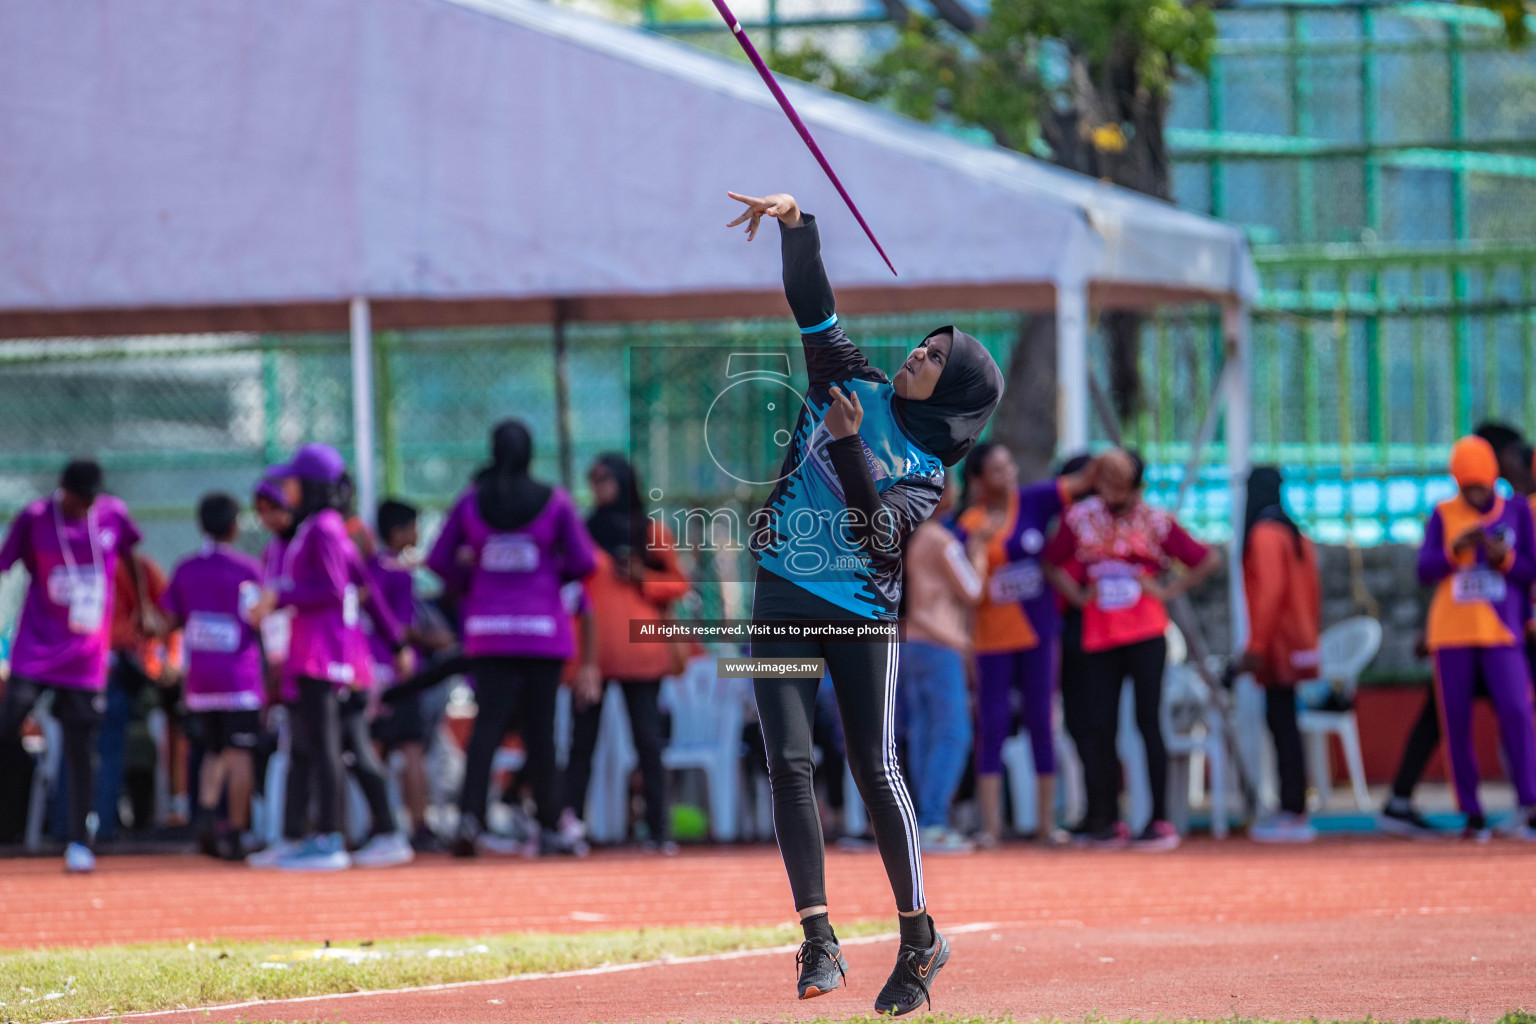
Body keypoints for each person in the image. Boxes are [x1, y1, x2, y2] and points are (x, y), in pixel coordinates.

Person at [726, 191, 1003, 1015]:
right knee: (788, 762)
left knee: (876, 768)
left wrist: (848, 446)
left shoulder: (930, 478)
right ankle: (818, 937)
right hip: (781, 588)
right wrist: (796, 222)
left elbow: (879, 537)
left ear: (952, 394)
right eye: (922, 345)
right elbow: (814, 305)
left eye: (933, 357)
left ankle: (920, 939)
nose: (917, 354)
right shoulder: (850, 376)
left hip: (860, 615)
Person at [427, 420, 597, 857]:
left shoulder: (470, 501)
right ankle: (549, 825)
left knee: (488, 725)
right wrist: (544, 570)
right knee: (542, 732)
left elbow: (438, 559)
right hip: (542, 630)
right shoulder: (555, 501)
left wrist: (474, 576)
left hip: (487, 631)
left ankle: (469, 817)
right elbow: (583, 562)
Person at [1043, 449, 1222, 851]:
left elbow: (1208, 559)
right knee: (1100, 726)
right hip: (1099, 634)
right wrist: (1077, 595)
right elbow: (1051, 562)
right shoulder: (1081, 517)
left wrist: (1167, 591)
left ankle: (1157, 820)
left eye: (1121, 483)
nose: (1112, 491)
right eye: (1106, 481)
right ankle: (1106, 819)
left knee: (1148, 722)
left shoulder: (1156, 521)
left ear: (1137, 485)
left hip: (1145, 632)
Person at [250, 443, 410, 871]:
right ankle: (304, 836)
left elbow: (337, 589)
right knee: (312, 745)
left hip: (326, 653)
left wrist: (279, 596)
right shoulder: (319, 527)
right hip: (317, 652)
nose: (287, 488)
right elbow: (360, 584)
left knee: (327, 747)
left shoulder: (322, 529)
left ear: (311, 486)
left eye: (292, 481)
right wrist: (397, 644)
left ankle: (330, 838)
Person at [1381, 421, 1535, 837]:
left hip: (1502, 634)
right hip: (1451, 635)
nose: (1475, 497)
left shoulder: (1518, 511)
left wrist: (1503, 557)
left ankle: (1529, 806)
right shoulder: (1444, 513)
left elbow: (1529, 570)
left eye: (1481, 488)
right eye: (1467, 489)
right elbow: (1425, 569)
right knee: (1454, 723)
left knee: (1518, 714)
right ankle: (1472, 812)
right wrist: (1456, 551)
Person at [0, 459, 150, 873]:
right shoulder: (33, 517)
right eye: (76, 500)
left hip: (86, 654)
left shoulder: (113, 513)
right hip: (37, 646)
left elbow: (131, 557)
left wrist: (142, 608)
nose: (82, 509)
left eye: (89, 502)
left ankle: (79, 842)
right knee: (9, 717)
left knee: (82, 746)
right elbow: (5, 562)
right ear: (61, 490)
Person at [956, 444, 1098, 848]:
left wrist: (1111, 463)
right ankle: (990, 827)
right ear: (980, 480)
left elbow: (1083, 480)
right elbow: (968, 589)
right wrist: (977, 548)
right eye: (997, 469)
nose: (1009, 472)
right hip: (991, 639)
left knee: (1042, 721)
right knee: (993, 724)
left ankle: (1045, 825)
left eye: (1010, 464)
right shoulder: (970, 524)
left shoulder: (1035, 501)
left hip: (1038, 635)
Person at [566, 454, 690, 852]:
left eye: (604, 480)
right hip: (593, 656)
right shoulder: (582, 533)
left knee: (648, 742)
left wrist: (643, 578)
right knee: (581, 744)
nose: (597, 488)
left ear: (623, 481)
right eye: (593, 480)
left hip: (643, 651)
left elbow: (679, 583)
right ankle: (571, 826)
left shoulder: (651, 532)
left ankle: (659, 829)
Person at [160, 493, 266, 860]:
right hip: (239, 677)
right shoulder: (248, 570)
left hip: (201, 679)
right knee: (239, 754)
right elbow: (259, 618)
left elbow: (169, 619)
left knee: (211, 751)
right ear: (235, 526)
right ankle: (236, 832)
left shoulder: (186, 568)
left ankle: (204, 817)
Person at [898, 474, 985, 854]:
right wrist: (979, 549)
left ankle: (921, 821)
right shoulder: (941, 539)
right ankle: (932, 821)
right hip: (940, 644)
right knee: (952, 734)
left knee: (924, 734)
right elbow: (974, 590)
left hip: (913, 643)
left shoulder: (912, 537)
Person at [1237, 467, 1322, 844]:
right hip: (1300, 638)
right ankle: (1293, 805)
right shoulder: (1295, 532)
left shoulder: (1265, 533)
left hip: (1279, 644)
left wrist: (1256, 647)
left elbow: (1270, 594)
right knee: (1287, 723)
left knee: (1282, 725)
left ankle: (1293, 809)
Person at [368, 499, 447, 853]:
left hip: (369, 674)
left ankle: (377, 823)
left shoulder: (367, 568)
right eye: (414, 526)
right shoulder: (399, 573)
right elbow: (403, 627)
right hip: (401, 674)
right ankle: (418, 824)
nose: (417, 534)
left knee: (374, 751)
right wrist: (437, 640)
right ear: (399, 531)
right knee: (412, 750)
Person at [94, 550, 173, 842]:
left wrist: (163, 659)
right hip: (95, 665)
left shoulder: (140, 568)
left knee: (109, 747)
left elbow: (166, 614)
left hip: (115, 666)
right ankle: (96, 827)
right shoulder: (88, 562)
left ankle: (90, 826)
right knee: (101, 749)